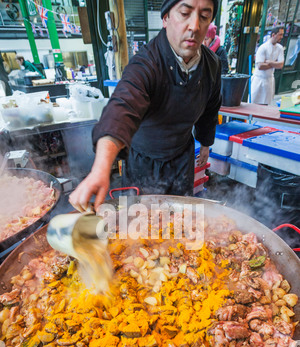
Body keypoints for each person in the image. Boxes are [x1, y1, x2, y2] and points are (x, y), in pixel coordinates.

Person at [69, 0, 222, 213]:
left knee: (179, 225)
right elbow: (122, 106)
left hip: (181, 159)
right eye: (185, 13)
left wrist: (205, 142)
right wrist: (101, 167)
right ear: (166, 18)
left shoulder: (212, 64)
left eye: (204, 16)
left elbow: (211, 106)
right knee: (135, 227)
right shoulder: (146, 63)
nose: (194, 26)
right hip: (143, 163)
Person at [251, 27, 285, 105]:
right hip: (259, 80)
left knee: (266, 104)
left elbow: (281, 65)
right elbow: (260, 66)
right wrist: (274, 64)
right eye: (280, 34)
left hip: (269, 80)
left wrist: (269, 62)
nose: (282, 37)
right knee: (254, 104)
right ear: (273, 35)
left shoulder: (280, 48)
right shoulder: (263, 47)